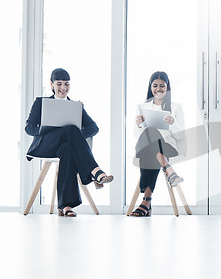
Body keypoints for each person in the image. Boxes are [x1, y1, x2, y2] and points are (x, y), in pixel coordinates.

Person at [25, 68, 114, 217]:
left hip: (62, 147)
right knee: (71, 130)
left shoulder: (76, 106)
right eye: (59, 84)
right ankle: (95, 172)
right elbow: (28, 128)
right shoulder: (41, 103)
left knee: (68, 146)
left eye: (66, 84)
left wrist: (74, 135)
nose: (63, 88)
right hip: (44, 145)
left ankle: (65, 206)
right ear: (52, 84)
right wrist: (44, 129)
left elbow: (94, 127)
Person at [130, 71, 185, 217]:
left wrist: (173, 123)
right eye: (155, 85)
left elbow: (181, 136)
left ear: (167, 87)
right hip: (145, 145)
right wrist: (139, 125)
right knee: (150, 134)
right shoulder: (142, 106)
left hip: (168, 147)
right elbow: (136, 134)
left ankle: (146, 202)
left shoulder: (176, 107)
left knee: (150, 149)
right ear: (150, 87)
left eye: (162, 85)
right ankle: (168, 169)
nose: (158, 89)